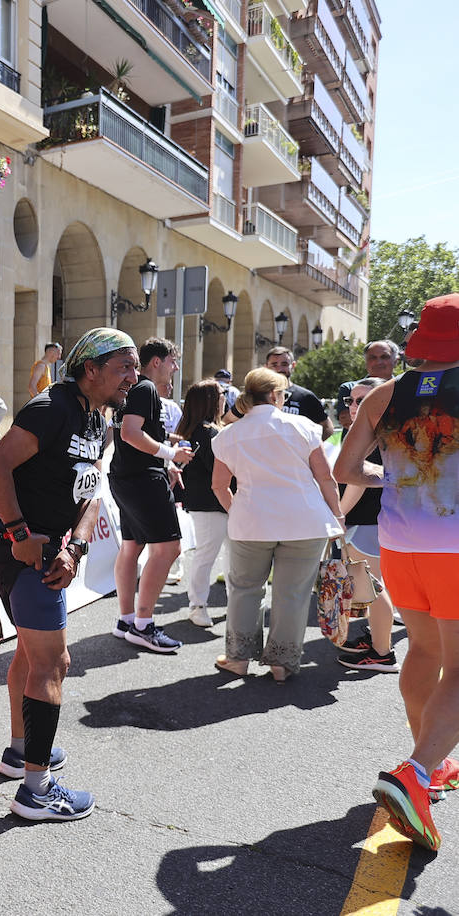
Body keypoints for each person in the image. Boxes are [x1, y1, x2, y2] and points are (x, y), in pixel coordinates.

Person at [0, 327, 139, 821]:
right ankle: (36, 791)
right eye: (123, 367)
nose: (133, 376)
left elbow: (90, 491)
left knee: (30, 652)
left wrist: (79, 546)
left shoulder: (97, 417)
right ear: (91, 370)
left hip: (50, 551)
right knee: (54, 663)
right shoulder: (52, 408)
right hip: (23, 552)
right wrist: (21, 533)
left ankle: (20, 753)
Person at [336, 294, 459, 851]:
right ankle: (418, 770)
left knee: (426, 653)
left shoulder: (385, 392)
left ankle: (428, 764)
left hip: (400, 540)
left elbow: (346, 468)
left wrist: (402, 479)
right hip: (454, 544)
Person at [210, 367, 344, 683]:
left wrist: (237, 510)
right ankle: (282, 663)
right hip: (305, 521)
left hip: (251, 523)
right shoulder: (303, 426)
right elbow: (325, 478)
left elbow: (219, 486)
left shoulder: (228, 435)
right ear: (275, 395)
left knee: (244, 589)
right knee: (293, 594)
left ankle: (238, 658)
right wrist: (338, 516)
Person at [110, 338, 193, 653]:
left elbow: (135, 430)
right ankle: (143, 626)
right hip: (142, 478)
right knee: (168, 548)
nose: (175, 368)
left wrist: (170, 444)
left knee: (132, 546)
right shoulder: (144, 388)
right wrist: (171, 454)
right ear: (157, 361)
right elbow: (131, 433)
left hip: (127, 476)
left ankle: (126, 620)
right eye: (173, 361)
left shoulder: (136, 389)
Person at [332, 377, 398, 672]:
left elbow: (357, 482)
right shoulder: (385, 428)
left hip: (364, 520)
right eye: (351, 400)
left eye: (362, 399)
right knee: (374, 585)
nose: (355, 406)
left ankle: (382, 652)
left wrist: (338, 516)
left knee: (371, 586)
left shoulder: (371, 431)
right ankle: (379, 640)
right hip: (375, 519)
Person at [174, 380, 228, 628]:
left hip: (209, 501)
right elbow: (219, 468)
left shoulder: (198, 429)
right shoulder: (207, 431)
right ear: (209, 400)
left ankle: (205, 604)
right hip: (211, 502)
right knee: (207, 555)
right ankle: (197, 605)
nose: (225, 397)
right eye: (221, 393)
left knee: (221, 555)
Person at [226, 347, 332, 438]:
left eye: (284, 364)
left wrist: (310, 448)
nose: (279, 369)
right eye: (274, 364)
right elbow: (227, 421)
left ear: (293, 365)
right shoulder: (254, 394)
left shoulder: (305, 396)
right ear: (266, 367)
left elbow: (327, 427)